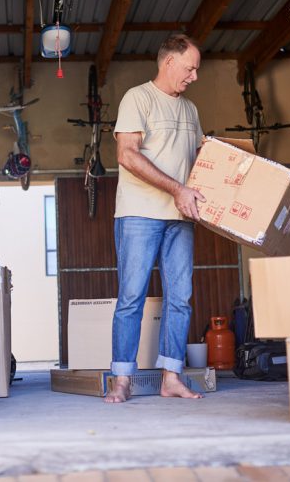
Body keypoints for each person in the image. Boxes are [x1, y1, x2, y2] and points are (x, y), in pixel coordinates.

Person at [104, 34, 206, 403]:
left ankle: (171, 378)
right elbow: (127, 155)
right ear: (169, 63)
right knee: (132, 297)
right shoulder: (138, 98)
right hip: (139, 213)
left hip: (181, 217)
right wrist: (177, 189)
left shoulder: (191, 110)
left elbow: (198, 163)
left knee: (181, 298)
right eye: (190, 68)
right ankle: (122, 380)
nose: (194, 76)